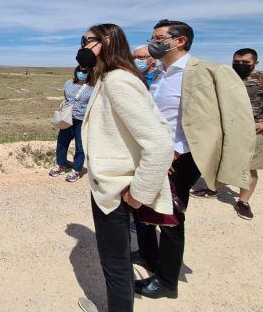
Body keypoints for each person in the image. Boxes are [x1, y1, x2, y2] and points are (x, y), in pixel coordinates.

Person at [133, 20, 255, 300]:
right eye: (152, 37)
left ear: (180, 41)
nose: (153, 42)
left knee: (171, 217)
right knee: (143, 207)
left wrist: (176, 151)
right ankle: (148, 255)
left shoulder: (207, 72)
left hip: (180, 158)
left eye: (159, 37)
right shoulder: (161, 73)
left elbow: (219, 120)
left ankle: (167, 282)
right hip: (154, 155)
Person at [76, 24, 174, 312]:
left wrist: (139, 193)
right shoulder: (112, 78)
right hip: (116, 184)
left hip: (116, 189)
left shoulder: (118, 81)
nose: (82, 46)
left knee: (115, 262)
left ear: (106, 41)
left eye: (88, 40)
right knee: (117, 259)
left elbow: (158, 142)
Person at [190, 48, 262, 220]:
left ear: (255, 63)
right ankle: (212, 189)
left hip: (253, 130)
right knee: (218, 160)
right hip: (226, 128)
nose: (240, 65)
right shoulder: (226, 77)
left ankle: (243, 202)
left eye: (245, 62)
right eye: (237, 61)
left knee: (249, 166)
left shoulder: (260, 78)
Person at [49, 65, 95, 182]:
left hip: (82, 120)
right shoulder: (69, 83)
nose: (81, 72)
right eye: (79, 70)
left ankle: (76, 170)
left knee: (80, 146)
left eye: (84, 70)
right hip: (67, 119)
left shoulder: (93, 87)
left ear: (90, 72)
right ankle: (61, 165)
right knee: (62, 143)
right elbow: (67, 97)